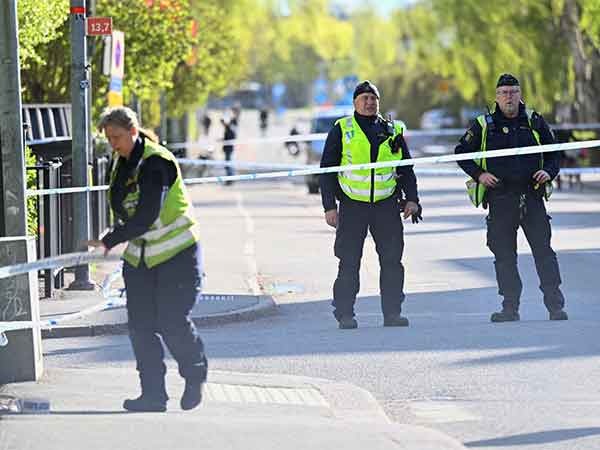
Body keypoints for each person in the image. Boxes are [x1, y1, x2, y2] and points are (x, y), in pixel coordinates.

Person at [88, 106, 208, 412]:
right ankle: (153, 395)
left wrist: (109, 240)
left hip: (178, 254)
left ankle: (195, 374)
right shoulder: (121, 161)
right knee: (140, 327)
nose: (113, 144)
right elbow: (123, 208)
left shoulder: (156, 162)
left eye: (116, 137)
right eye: (108, 138)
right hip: (141, 258)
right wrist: (114, 236)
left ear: (132, 131)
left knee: (171, 321)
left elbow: (146, 214)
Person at [455, 73, 568, 322]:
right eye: (504, 92)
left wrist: (547, 172)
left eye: (514, 92)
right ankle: (510, 307)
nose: (509, 97)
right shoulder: (484, 124)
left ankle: (555, 306)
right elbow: (461, 152)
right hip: (501, 199)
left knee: (544, 253)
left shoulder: (534, 121)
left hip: (532, 197)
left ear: (520, 94)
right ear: (497, 96)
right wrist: (480, 174)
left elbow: (554, 153)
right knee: (505, 257)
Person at [319, 80, 422, 329]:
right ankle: (345, 314)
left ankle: (392, 313)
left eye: (373, 98)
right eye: (364, 98)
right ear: (355, 102)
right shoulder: (342, 129)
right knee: (349, 261)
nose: (369, 102)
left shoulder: (392, 129)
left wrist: (412, 199)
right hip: (353, 206)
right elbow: (327, 170)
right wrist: (329, 206)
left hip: (386, 206)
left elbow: (406, 168)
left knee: (392, 261)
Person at [220, 107, 239, 185]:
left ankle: (230, 179)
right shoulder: (230, 126)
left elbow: (229, 132)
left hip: (229, 148)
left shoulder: (232, 125)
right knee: (228, 164)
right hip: (227, 147)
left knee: (228, 164)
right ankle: (230, 179)